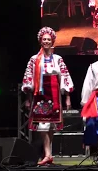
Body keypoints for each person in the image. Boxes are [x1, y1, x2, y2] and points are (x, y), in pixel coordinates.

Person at [21, 27, 74, 165]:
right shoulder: (34, 59)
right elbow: (28, 78)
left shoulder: (58, 59)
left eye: (48, 39)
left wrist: (67, 96)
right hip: (40, 95)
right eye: (44, 39)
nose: (46, 41)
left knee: (51, 126)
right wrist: (28, 98)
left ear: (52, 41)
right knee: (42, 126)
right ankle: (48, 154)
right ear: (40, 41)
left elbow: (65, 77)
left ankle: (48, 154)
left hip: (55, 95)